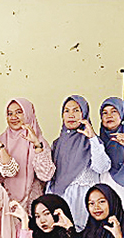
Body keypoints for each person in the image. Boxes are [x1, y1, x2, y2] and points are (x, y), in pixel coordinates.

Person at [46, 95, 110, 230]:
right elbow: (52, 179)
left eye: (76, 110)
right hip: (61, 200)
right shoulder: (57, 143)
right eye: (66, 111)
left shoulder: (92, 142)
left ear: (84, 114)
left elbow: (102, 167)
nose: (71, 115)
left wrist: (92, 138)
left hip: (84, 203)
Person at [0, 98, 55, 212]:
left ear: (28, 114)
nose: (13, 117)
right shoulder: (0, 142)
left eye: (19, 112)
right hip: (6, 203)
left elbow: (46, 175)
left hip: (31, 203)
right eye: (10, 113)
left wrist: (36, 144)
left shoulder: (39, 141)